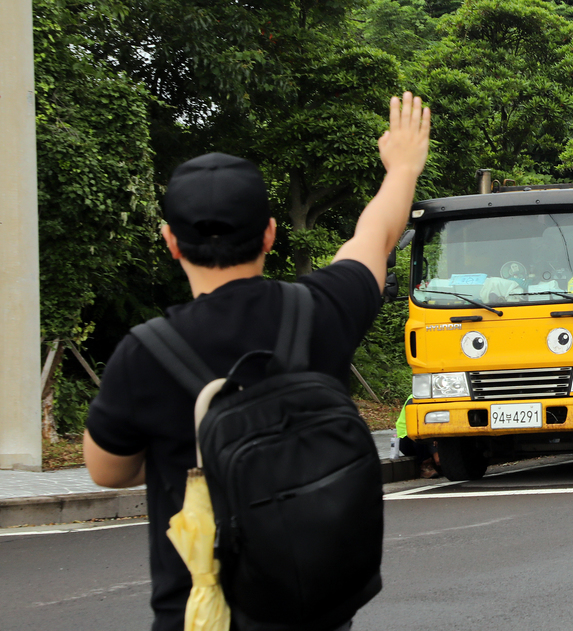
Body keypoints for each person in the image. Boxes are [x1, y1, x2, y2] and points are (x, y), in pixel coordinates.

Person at [83, 92, 431, 631]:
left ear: (171, 242)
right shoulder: (320, 309)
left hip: (202, 615)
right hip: (314, 612)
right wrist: (404, 165)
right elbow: (375, 236)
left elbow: (107, 471)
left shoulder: (144, 353)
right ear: (270, 232)